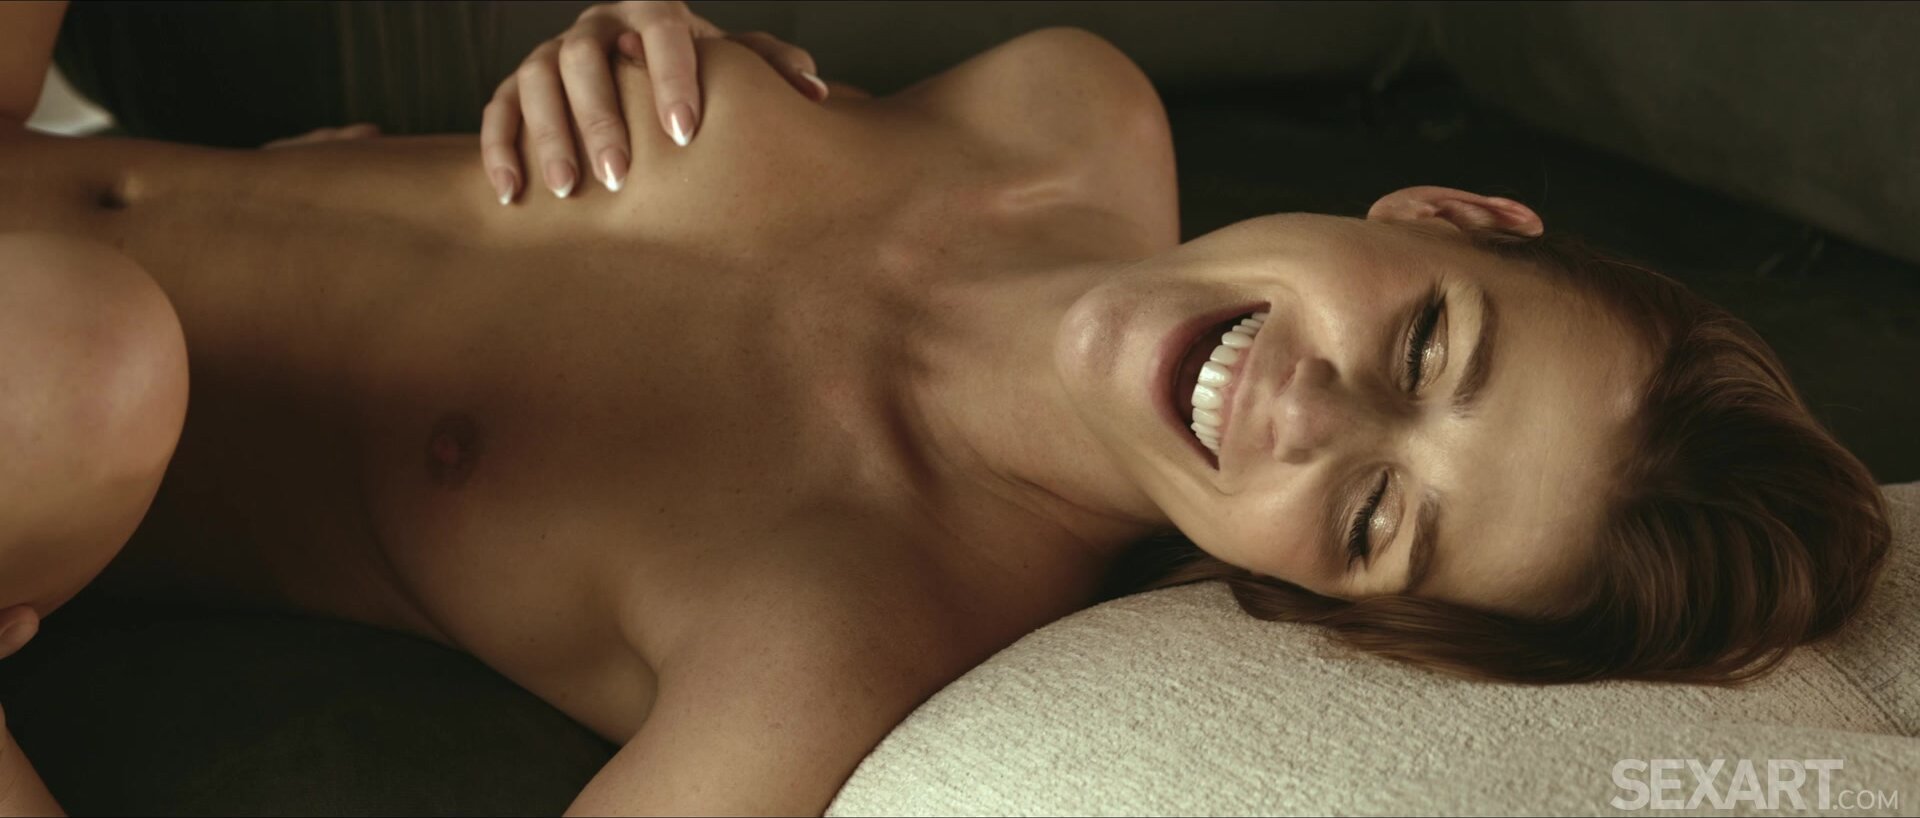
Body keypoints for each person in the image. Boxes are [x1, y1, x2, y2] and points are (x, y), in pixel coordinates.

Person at [0, 1, 1890, 813]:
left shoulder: (840, 638)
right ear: (1449, 216)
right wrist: (622, 42)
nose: (1314, 413)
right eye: (1423, 350)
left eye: (1380, 517)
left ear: (1322, 598)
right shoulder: (1070, 108)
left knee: (91, 370)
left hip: (38, 397)